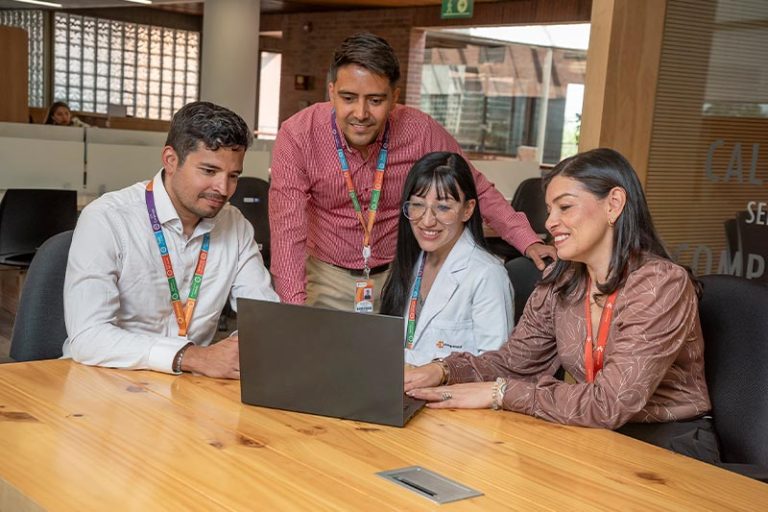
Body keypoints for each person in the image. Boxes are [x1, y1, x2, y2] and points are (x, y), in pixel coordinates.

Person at [405, 147, 718, 464]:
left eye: (565, 207)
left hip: (668, 445)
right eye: (549, 210)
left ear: (614, 204)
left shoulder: (660, 284)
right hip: (594, 434)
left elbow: (612, 402)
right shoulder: (562, 280)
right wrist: (443, 370)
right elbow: (514, 363)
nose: (550, 222)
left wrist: (500, 393)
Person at [269, 32, 556, 312]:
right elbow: (287, 231)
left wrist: (527, 239)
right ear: (331, 92)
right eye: (348, 98)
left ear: (394, 97)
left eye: (375, 100)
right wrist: (293, 313)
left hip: (402, 275)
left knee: (399, 361)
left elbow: (474, 186)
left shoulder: (419, 130)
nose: (360, 113)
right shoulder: (298, 135)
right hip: (325, 276)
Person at [63, 101, 278, 379]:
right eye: (209, 171)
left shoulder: (234, 224)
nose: (223, 189)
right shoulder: (106, 219)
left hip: (189, 388)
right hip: (104, 381)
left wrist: (248, 344)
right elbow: (88, 337)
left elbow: (262, 314)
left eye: (233, 176)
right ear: (170, 160)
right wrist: (193, 356)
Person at [380, 152, 513, 366]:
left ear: (467, 209)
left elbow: (495, 367)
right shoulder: (412, 261)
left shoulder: (487, 274)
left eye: (443, 207)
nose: (427, 220)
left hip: (448, 396)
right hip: (398, 387)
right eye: (417, 205)